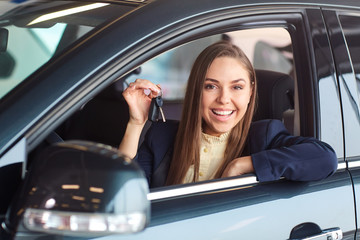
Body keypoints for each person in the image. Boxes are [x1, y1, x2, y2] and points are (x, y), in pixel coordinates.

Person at [119, 41, 337, 188]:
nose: (224, 99)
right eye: (211, 87)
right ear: (197, 90)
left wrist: (240, 165)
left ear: (251, 91)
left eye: (237, 87)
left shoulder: (265, 137)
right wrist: (136, 123)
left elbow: (325, 158)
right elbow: (123, 189)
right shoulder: (161, 137)